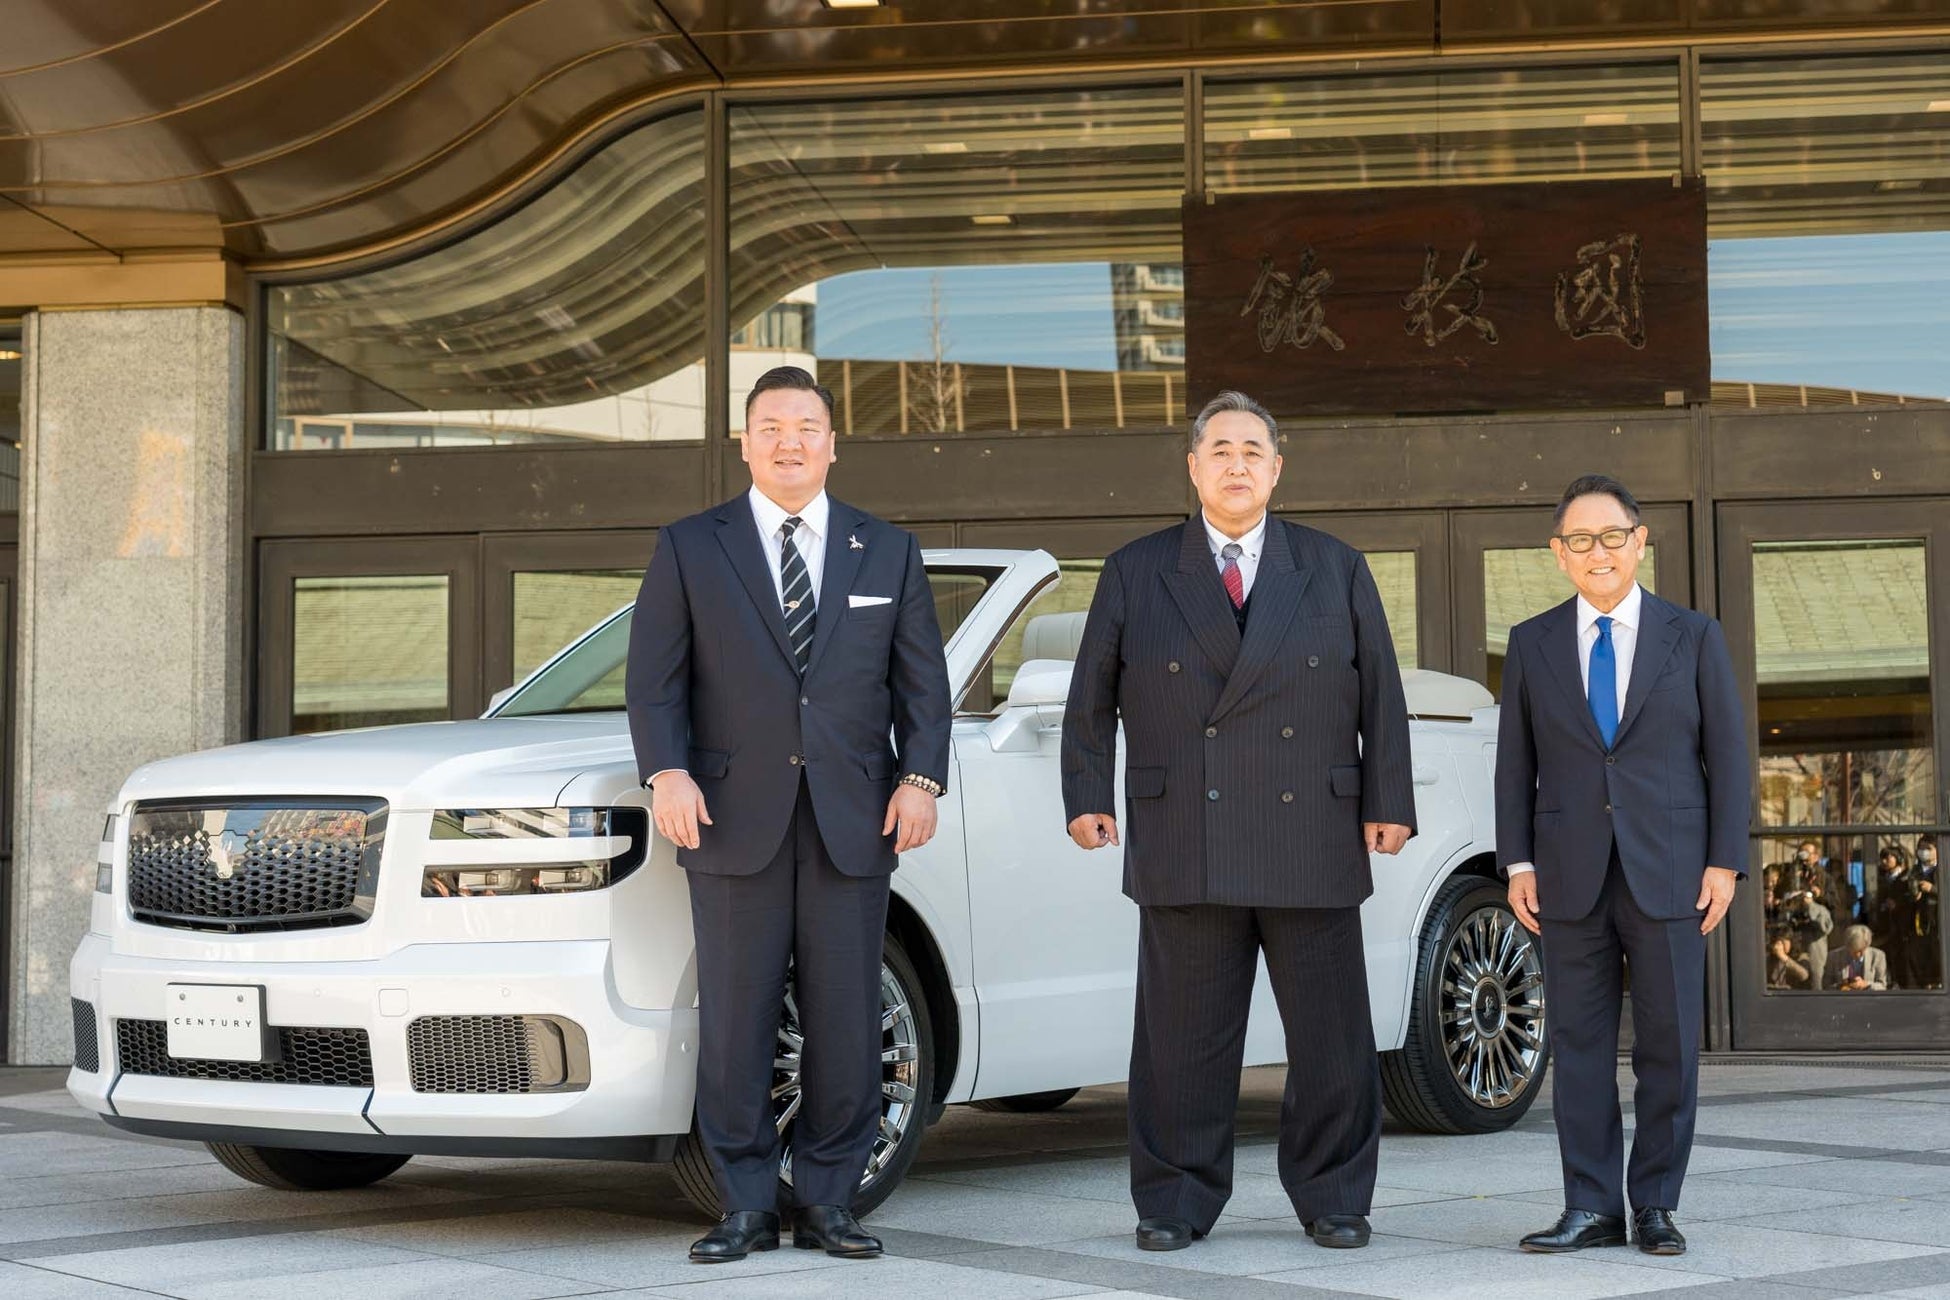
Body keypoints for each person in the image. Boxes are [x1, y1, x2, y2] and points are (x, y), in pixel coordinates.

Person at [1061, 389, 1415, 1254]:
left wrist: (1388, 803)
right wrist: (1087, 797)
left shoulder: (1335, 566)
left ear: (1277, 469)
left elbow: (1384, 697)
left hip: (1313, 834)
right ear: (1193, 467)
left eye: (1253, 449)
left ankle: (1335, 1196)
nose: (1236, 463)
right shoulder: (1135, 569)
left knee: (1332, 1038)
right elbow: (1088, 701)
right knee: (1182, 1043)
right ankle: (1175, 1200)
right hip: (1187, 828)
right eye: (1219, 449)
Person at [627, 366, 952, 1264]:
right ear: (745, 442)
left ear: (832, 442)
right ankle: (742, 1203)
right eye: (771, 425)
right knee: (737, 1017)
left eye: (806, 425)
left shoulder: (885, 549)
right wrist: (667, 774)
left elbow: (923, 685)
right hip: (731, 818)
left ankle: (831, 1201)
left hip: (856, 819)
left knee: (846, 1017)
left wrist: (921, 781)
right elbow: (655, 683)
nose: (789, 441)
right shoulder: (693, 545)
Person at [1495, 473, 1748, 1259]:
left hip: (1671, 870)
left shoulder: (1693, 635)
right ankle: (1592, 1207)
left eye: (1611, 536)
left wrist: (1725, 862)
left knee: (1669, 1045)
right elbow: (1515, 765)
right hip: (1567, 873)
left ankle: (1656, 1204)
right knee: (1576, 1045)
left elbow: (1729, 757)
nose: (1597, 552)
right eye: (1580, 540)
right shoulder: (1532, 643)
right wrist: (1516, 861)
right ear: (1558, 553)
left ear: (1640, 541)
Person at [1828, 925, 1889, 991]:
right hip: (1842, 999)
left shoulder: (1878, 956)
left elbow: (1882, 986)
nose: (1857, 955)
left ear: (1867, 945)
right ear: (1847, 946)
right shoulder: (1834, 956)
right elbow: (1826, 986)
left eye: (1861, 951)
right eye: (1854, 951)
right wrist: (1842, 986)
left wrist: (1866, 984)